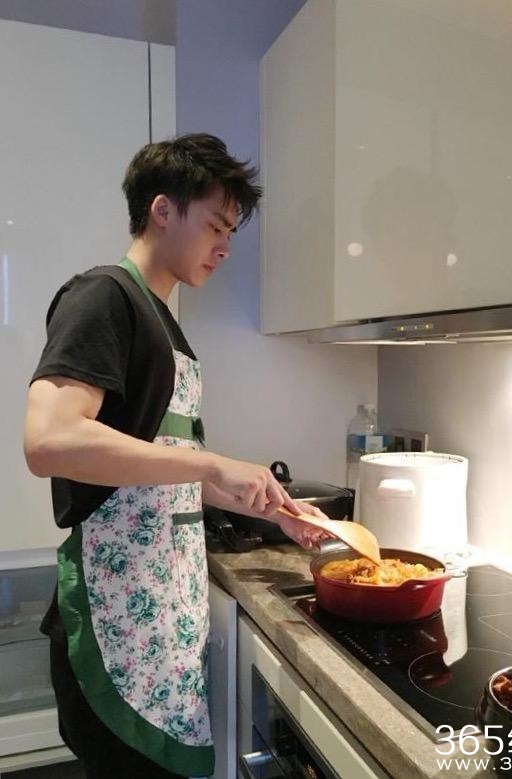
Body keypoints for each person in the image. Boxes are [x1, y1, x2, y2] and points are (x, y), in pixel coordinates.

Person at [23, 133, 331, 779]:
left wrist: (273, 509)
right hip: (118, 621)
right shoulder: (103, 296)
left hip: (162, 620)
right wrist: (213, 464)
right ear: (163, 209)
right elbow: (49, 440)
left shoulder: (161, 318)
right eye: (216, 225)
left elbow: (160, 462)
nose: (225, 246)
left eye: (231, 232)